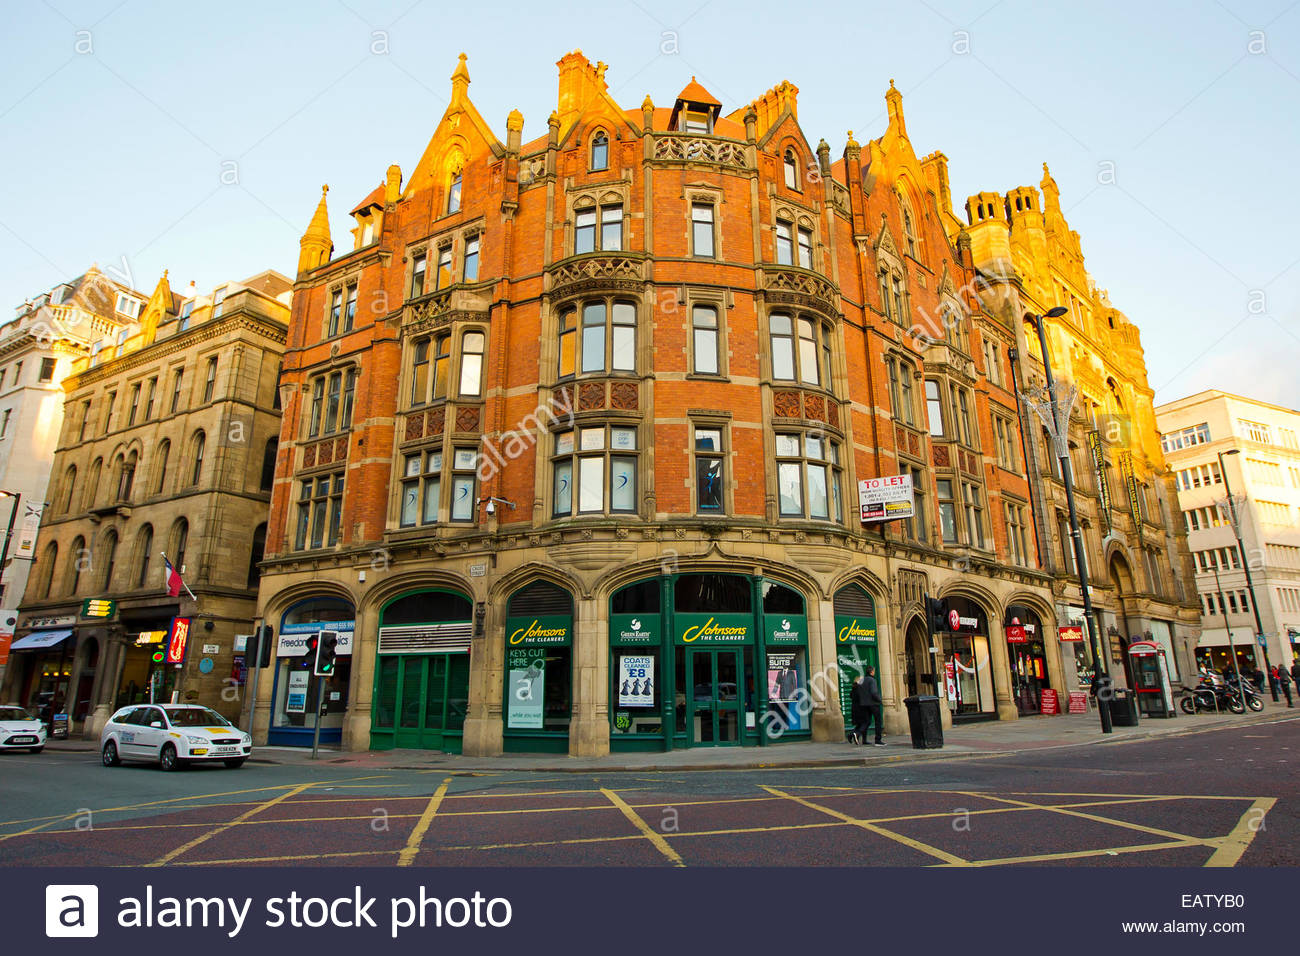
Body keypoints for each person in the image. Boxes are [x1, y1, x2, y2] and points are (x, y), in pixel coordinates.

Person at [852, 666, 885, 745]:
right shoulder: (872, 680)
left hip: (864, 704)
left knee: (866, 721)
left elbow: (858, 692)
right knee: (878, 721)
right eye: (874, 671)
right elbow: (874, 692)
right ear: (872, 672)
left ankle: (861, 736)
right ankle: (878, 740)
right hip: (873, 704)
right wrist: (879, 700)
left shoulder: (861, 680)